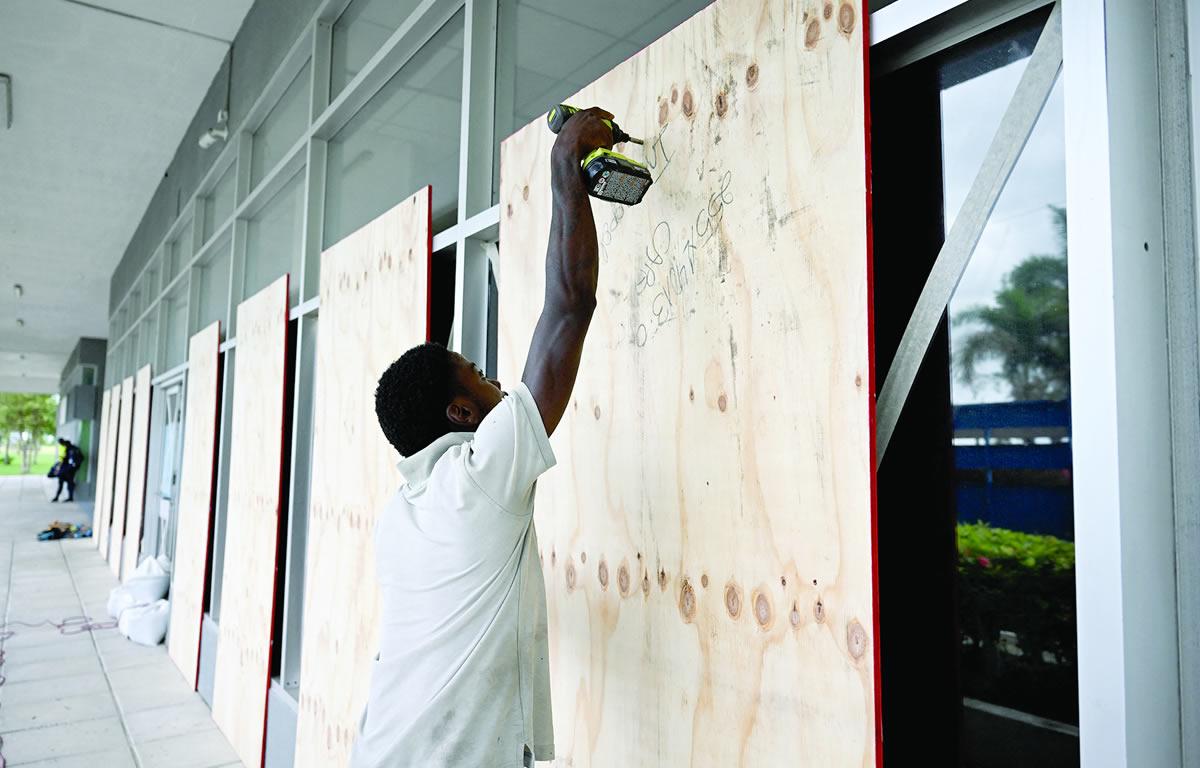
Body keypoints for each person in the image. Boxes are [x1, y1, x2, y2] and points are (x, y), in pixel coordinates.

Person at [350, 107, 614, 768]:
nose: (497, 380)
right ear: (463, 413)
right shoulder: (478, 478)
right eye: (480, 374)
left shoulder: (400, 516)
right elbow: (569, 308)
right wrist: (565, 166)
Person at [51, 437, 83, 502]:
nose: (62, 445)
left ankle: (68, 497)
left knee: (68, 483)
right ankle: (58, 497)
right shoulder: (69, 449)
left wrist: (74, 466)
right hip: (66, 469)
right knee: (64, 483)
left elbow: (78, 458)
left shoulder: (72, 450)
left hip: (69, 470)